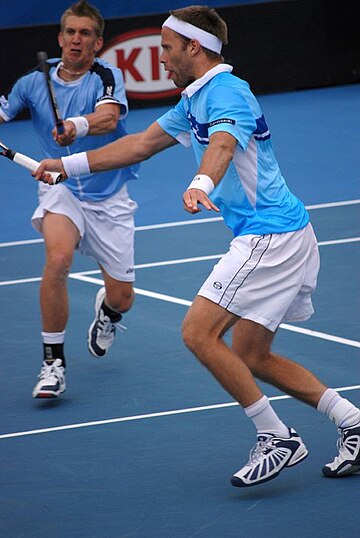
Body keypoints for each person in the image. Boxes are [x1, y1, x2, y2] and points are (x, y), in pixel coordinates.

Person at [34, 6, 360, 485]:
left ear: (193, 47)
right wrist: (69, 165)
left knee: (197, 333)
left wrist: (202, 181)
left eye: (166, 47)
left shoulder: (227, 91)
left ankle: (276, 437)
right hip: (285, 233)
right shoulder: (193, 100)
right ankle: (353, 421)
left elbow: (224, 144)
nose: (161, 57)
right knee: (252, 355)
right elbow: (141, 144)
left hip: (270, 236)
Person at [0, 1, 139, 399]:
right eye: (70, 33)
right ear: (60, 39)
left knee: (122, 297)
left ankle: (108, 313)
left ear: (98, 42)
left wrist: (76, 127)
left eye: (85, 34)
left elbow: (109, 118)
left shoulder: (107, 76)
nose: (77, 40)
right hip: (60, 187)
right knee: (58, 260)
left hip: (108, 194)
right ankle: (53, 363)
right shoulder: (32, 82)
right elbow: (5, 111)